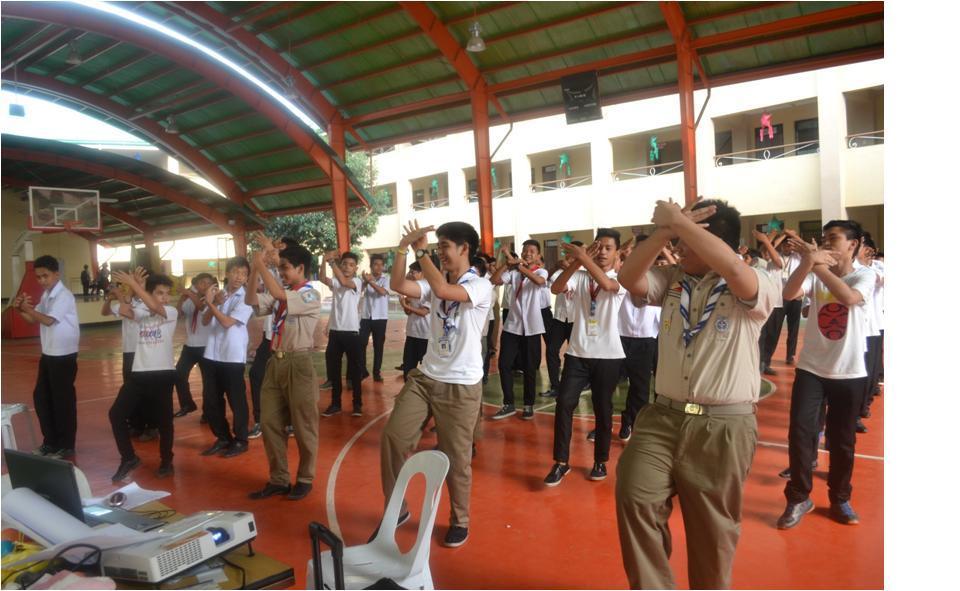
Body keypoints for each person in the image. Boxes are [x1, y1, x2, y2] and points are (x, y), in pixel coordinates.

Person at [616, 198, 778, 589]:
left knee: (712, 533)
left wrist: (677, 221)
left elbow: (734, 269)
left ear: (712, 242)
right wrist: (665, 230)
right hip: (662, 419)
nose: (678, 249)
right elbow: (628, 277)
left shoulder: (756, 281)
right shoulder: (673, 279)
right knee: (635, 496)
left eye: (685, 242)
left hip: (722, 427)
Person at [381, 220, 491, 548]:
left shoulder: (480, 285)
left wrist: (421, 251)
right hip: (426, 377)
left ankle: (460, 519)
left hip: (461, 385)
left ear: (464, 248)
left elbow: (444, 292)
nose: (440, 252)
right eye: (437, 245)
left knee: (456, 459)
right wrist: (403, 248)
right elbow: (398, 284)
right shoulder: (435, 281)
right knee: (394, 437)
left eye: (445, 246)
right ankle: (397, 507)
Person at [777, 220, 874, 530]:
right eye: (824, 238)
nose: (826, 243)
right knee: (801, 433)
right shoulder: (815, 273)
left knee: (842, 441)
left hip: (849, 371)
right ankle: (798, 497)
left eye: (833, 238)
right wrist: (808, 262)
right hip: (811, 369)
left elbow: (848, 298)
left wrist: (816, 263)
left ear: (853, 244)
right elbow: (789, 293)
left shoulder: (865, 274)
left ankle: (839, 498)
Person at [544, 229, 627, 486]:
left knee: (603, 408)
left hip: (608, 355)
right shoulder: (579, 276)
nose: (602, 252)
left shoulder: (621, 278)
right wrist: (577, 262)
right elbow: (556, 288)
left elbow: (607, 285)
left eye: (608, 248)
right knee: (564, 403)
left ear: (617, 253)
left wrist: (583, 258)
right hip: (577, 353)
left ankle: (600, 460)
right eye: (598, 247)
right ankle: (561, 462)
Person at [245, 245, 323, 501]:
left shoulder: (310, 294)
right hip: (275, 363)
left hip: (298, 364)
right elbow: (251, 300)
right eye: (279, 269)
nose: (281, 273)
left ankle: (305, 478)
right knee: (269, 423)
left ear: (301, 268)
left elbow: (278, 293)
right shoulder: (283, 295)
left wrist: (261, 263)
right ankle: (279, 479)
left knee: (304, 425)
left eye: (285, 268)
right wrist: (255, 270)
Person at [108, 269, 179, 482]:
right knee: (116, 414)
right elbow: (125, 310)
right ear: (150, 293)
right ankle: (129, 458)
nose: (165, 297)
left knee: (164, 421)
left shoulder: (171, 312)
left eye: (167, 293)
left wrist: (135, 285)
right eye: (160, 293)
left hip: (163, 373)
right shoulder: (142, 312)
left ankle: (166, 461)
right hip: (139, 372)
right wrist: (133, 289)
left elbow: (156, 307)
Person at [12, 255, 80, 459]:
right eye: (38, 277)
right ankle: (50, 442)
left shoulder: (64, 296)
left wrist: (28, 310)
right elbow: (32, 319)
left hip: (64, 356)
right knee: (42, 398)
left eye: (45, 276)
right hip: (49, 354)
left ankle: (66, 445)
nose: (42, 280)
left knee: (62, 401)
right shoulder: (47, 295)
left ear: (56, 274)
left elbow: (49, 320)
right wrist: (20, 309)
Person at [490, 240, 549, 420]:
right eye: (525, 251)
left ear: (538, 256)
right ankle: (508, 403)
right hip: (512, 326)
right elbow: (494, 281)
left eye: (532, 251)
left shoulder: (541, 271)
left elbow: (538, 281)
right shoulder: (514, 273)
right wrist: (506, 265)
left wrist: (518, 267)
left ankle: (528, 404)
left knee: (530, 368)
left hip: (532, 328)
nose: (527, 253)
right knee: (504, 364)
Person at [200, 256, 252, 458]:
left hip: (232, 356)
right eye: (236, 272)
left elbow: (227, 323)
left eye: (244, 274)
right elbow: (205, 321)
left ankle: (241, 440)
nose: (239, 277)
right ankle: (223, 437)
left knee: (236, 401)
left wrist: (210, 303)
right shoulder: (219, 294)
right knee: (211, 400)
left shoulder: (246, 298)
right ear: (227, 273)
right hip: (212, 354)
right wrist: (213, 302)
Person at [102, 268, 157, 441]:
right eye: (133, 280)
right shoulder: (128, 299)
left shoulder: (151, 303)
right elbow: (106, 312)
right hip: (129, 352)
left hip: (145, 352)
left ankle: (152, 426)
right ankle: (136, 424)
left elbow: (126, 312)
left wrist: (122, 294)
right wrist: (110, 298)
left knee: (148, 392)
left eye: (139, 280)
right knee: (130, 391)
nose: (134, 283)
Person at [615, 234, 661, 443]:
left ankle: (631, 423)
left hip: (645, 339)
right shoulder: (623, 272)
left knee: (640, 388)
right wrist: (623, 253)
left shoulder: (659, 275)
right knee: (606, 384)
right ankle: (602, 426)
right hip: (619, 337)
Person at [319, 251, 364, 417]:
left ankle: (357, 404)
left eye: (351, 265)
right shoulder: (337, 282)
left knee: (355, 371)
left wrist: (332, 263)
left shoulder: (357, 282)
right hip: (335, 332)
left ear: (356, 268)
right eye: (344, 264)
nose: (347, 267)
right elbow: (322, 279)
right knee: (334, 371)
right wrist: (323, 261)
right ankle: (335, 404)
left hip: (352, 332)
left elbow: (345, 281)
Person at [541, 241, 582, 398]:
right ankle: (555, 386)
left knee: (575, 354)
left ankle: (575, 384)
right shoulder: (560, 272)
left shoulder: (584, 273)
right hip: (559, 318)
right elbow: (548, 281)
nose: (568, 257)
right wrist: (557, 266)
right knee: (551, 350)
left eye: (572, 253)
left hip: (576, 319)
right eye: (567, 254)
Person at [173, 273, 215, 419]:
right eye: (202, 283)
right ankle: (187, 404)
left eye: (208, 283)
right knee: (179, 374)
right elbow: (178, 313)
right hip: (190, 345)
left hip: (207, 346)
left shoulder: (214, 299)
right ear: (195, 285)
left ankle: (207, 412)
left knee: (208, 382)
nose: (205, 286)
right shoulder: (191, 299)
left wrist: (189, 293)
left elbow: (202, 307)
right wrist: (183, 296)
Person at [359, 254, 390, 383]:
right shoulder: (365, 279)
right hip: (366, 316)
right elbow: (358, 291)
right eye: (375, 264)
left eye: (381, 265)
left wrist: (370, 282)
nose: (378, 267)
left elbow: (382, 292)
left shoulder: (386, 279)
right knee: (361, 343)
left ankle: (376, 372)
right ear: (371, 266)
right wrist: (365, 281)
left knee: (378, 346)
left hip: (380, 317)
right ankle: (363, 371)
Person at [399, 262, 430, 380]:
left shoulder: (429, 288)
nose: (410, 274)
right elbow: (408, 312)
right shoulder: (412, 289)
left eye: (413, 272)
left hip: (425, 335)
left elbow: (424, 312)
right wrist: (405, 305)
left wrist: (406, 306)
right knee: (408, 368)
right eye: (409, 271)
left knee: (425, 370)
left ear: (422, 273)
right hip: (412, 333)